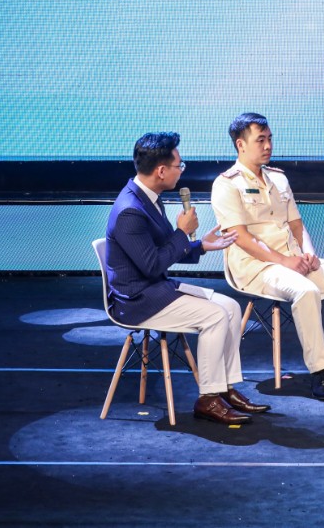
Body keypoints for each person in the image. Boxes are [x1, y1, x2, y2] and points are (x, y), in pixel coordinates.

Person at [211, 113, 324, 401]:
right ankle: (320, 371)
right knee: (306, 291)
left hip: (294, 259)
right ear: (240, 145)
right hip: (257, 267)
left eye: (270, 139)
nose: (268, 145)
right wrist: (285, 262)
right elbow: (241, 237)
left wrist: (309, 252)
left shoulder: (278, 178)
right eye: (260, 140)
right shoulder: (227, 184)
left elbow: (296, 224)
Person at [103, 132, 271, 426]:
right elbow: (153, 265)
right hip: (138, 300)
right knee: (215, 316)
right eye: (178, 165)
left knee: (230, 307)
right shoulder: (131, 210)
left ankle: (224, 387)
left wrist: (201, 245)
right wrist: (182, 232)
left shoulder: (148, 198)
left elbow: (162, 251)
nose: (181, 170)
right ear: (161, 171)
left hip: (156, 288)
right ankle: (208, 398)